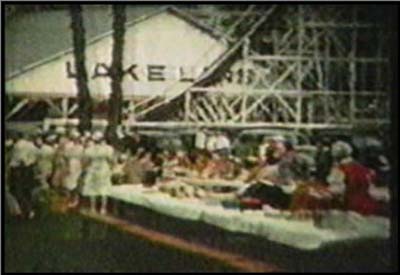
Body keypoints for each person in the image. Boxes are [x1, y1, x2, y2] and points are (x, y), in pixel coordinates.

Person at [326, 141, 385, 216]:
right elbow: (371, 190)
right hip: (369, 208)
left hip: (351, 209)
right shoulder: (364, 169)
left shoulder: (340, 170)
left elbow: (336, 191)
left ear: (335, 157)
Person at [82, 131, 114, 214]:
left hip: (93, 168)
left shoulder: (89, 149)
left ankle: (93, 207)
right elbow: (110, 160)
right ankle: (103, 208)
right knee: (104, 188)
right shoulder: (107, 149)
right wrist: (111, 167)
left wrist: (85, 168)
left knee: (93, 188)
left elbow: (87, 161)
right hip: (103, 168)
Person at [8, 132, 39, 219]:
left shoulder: (19, 145)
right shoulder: (31, 145)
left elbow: (21, 159)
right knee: (26, 191)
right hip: (28, 169)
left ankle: (24, 211)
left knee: (18, 191)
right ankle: (28, 210)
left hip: (19, 169)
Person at [63, 130, 84, 208]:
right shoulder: (68, 145)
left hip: (77, 165)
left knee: (76, 182)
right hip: (70, 164)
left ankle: (75, 200)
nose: (76, 139)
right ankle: (68, 199)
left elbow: (82, 157)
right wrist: (66, 166)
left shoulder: (81, 147)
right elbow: (65, 156)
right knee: (67, 183)